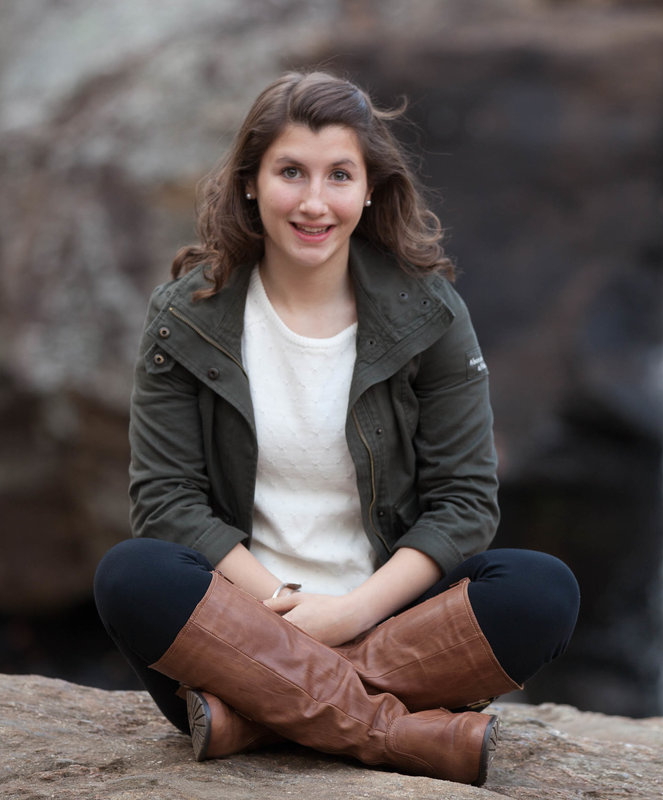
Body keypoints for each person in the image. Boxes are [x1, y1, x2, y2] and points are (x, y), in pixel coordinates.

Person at [93, 70, 579, 786]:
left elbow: (467, 503)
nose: (315, 202)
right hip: (239, 629)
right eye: (291, 172)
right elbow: (167, 503)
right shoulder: (187, 317)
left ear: (370, 188)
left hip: (389, 622)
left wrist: (349, 615)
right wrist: (278, 609)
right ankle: (393, 733)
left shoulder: (429, 315)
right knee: (133, 574)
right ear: (251, 182)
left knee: (542, 590)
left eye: (339, 175)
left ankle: (249, 719)